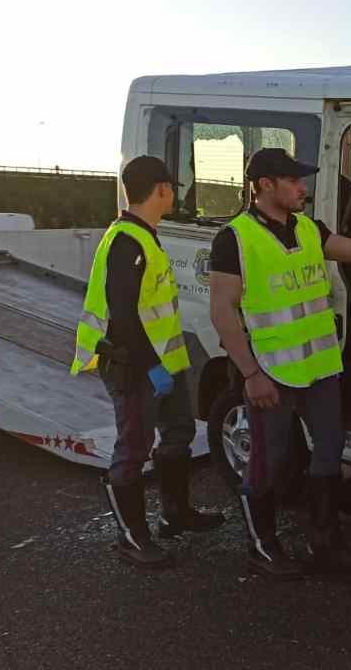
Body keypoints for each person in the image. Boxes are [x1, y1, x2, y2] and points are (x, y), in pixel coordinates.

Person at [208, 148, 351, 579]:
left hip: (319, 368)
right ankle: (262, 546)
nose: (303, 188)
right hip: (272, 372)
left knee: (330, 452)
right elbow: (222, 311)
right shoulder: (235, 238)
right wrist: (251, 374)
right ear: (264, 186)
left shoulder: (309, 229)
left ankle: (325, 542)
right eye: (293, 181)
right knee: (270, 462)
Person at [71, 155, 224, 568]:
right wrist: (152, 369)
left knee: (178, 432)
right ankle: (132, 539)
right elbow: (123, 317)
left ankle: (176, 514)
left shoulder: (143, 235)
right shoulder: (127, 241)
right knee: (133, 448)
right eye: (172, 187)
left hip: (160, 361)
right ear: (160, 189)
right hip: (131, 365)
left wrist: (166, 365)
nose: (174, 193)